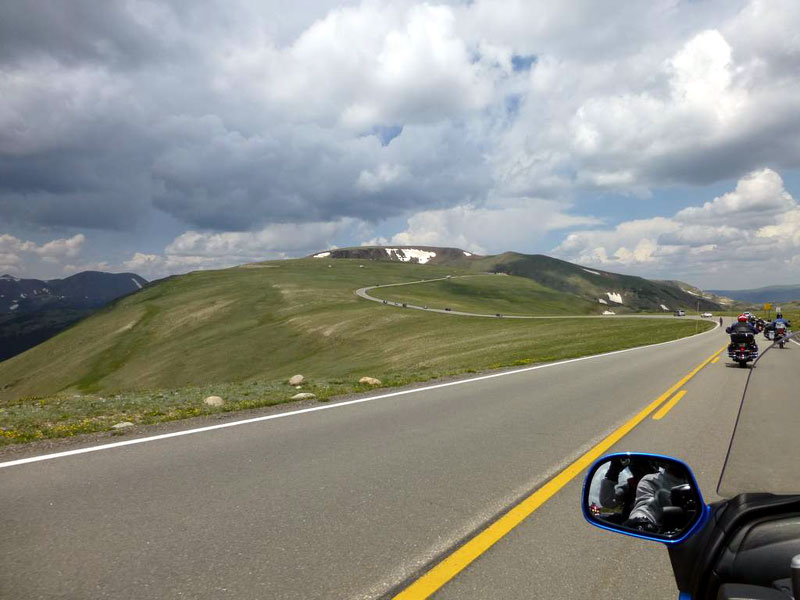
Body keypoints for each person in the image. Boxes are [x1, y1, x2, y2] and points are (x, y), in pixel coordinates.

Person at [623, 464, 686, 532]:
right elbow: (646, 507)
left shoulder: (696, 481)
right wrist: (640, 521)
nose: (640, 469)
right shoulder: (651, 481)